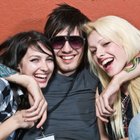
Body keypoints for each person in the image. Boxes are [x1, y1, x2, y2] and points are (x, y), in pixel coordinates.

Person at [1, 4, 140, 140]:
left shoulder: (97, 70)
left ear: (84, 45)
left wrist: (117, 81)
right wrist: (29, 82)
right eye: (58, 41)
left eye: (75, 41)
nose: (67, 49)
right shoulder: (39, 73)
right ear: (49, 44)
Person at [83, 15, 140, 140]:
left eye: (106, 43)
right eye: (93, 51)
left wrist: (117, 81)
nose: (98, 54)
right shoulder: (102, 90)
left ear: (125, 39)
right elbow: (103, 137)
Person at [0, 30, 55, 140]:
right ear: (18, 65)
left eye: (49, 59)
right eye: (35, 60)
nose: (45, 68)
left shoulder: (22, 94)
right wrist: (16, 121)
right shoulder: (2, 86)